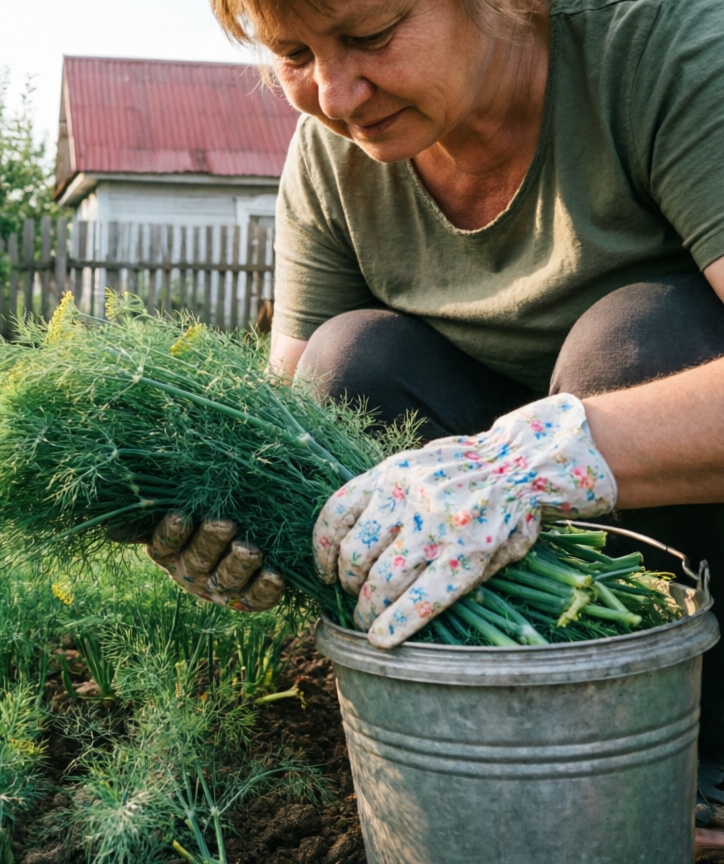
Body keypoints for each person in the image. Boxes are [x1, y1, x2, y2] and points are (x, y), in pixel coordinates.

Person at [140, 0, 724, 757]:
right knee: (347, 365)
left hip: (688, 511)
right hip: (510, 556)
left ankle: (695, 752)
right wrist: (237, 522)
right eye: (293, 54)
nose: (336, 95)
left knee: (634, 345)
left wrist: (531, 462)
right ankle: (488, 739)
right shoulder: (332, 156)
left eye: (371, 36)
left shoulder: (663, 50)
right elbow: (285, 420)